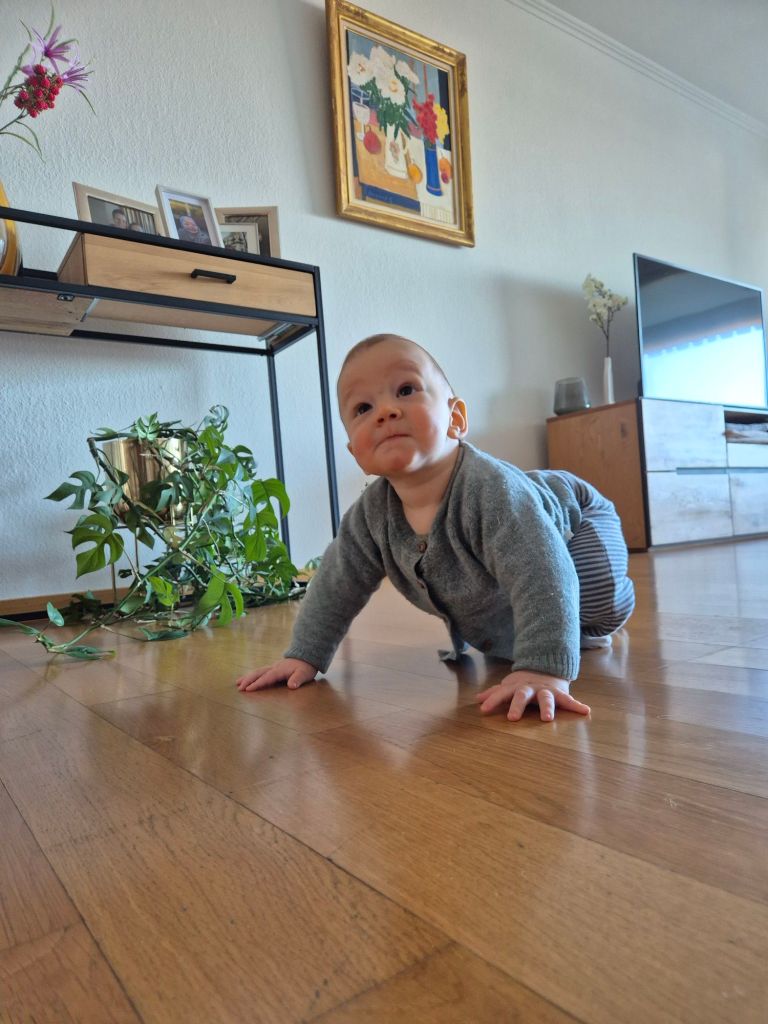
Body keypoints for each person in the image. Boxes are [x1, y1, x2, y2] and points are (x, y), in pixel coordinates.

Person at [236, 334, 635, 723]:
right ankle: (551, 628)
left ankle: (590, 620)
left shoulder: (489, 491)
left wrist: (543, 668)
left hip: (577, 522)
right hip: (517, 554)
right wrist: (304, 653)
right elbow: (335, 583)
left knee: (593, 597)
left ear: (455, 419)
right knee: (509, 629)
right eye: (362, 408)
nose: (385, 411)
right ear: (356, 453)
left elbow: (542, 571)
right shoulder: (370, 517)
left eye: (406, 390)